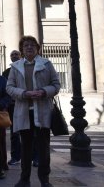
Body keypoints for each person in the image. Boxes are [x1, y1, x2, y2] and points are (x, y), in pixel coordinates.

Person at [6, 36, 61, 187]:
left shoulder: (46, 64)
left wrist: (44, 91)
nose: (29, 47)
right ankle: (24, 179)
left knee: (43, 148)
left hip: (42, 111)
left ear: (37, 48)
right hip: (24, 112)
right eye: (25, 45)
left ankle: (45, 180)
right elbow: (9, 87)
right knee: (26, 148)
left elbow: (56, 85)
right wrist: (24, 93)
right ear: (22, 50)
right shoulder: (16, 66)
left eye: (32, 45)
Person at [3, 50, 22, 166]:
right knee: (14, 133)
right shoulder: (6, 72)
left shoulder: (26, 69)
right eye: (12, 55)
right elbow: (4, 89)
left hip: (26, 104)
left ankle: (34, 157)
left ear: (20, 56)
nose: (14, 56)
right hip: (12, 106)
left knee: (30, 133)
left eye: (16, 54)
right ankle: (15, 156)